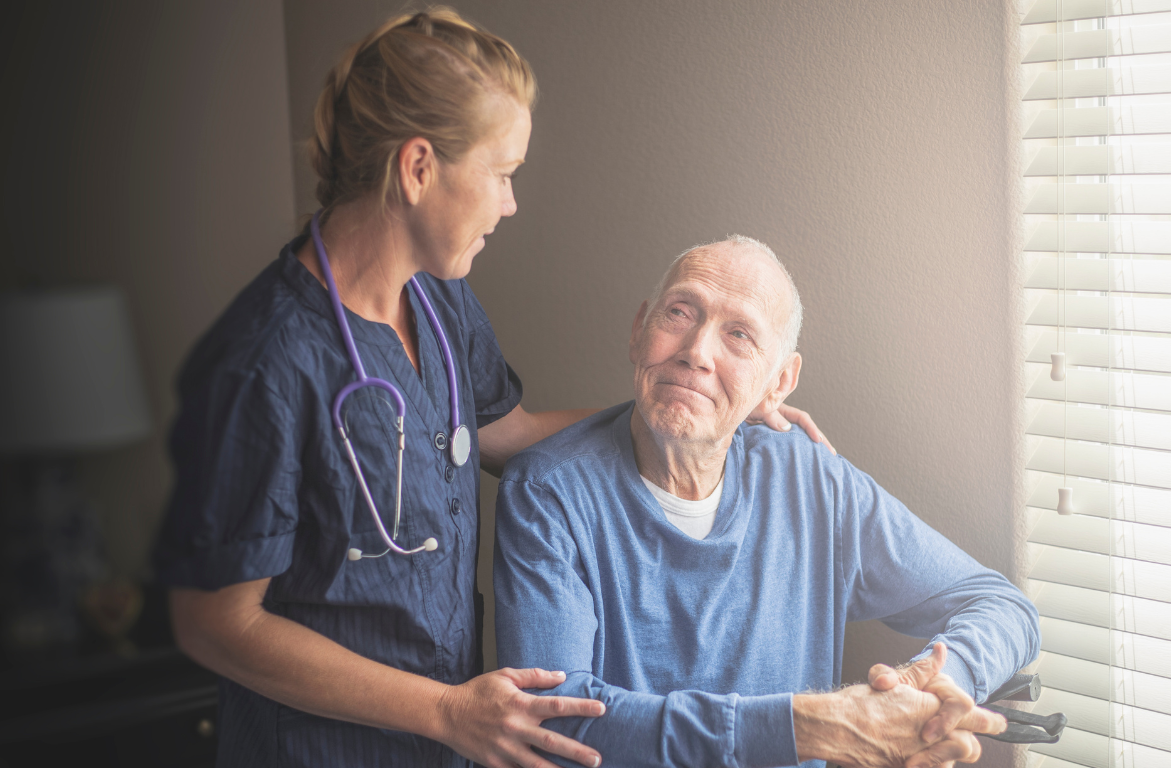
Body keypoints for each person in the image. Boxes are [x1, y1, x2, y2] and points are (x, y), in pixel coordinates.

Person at [151, 11, 827, 768]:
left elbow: (509, 435)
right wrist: (442, 710)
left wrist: (704, 411)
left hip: (444, 743)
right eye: (502, 174)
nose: (510, 203)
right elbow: (215, 622)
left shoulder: (438, 303)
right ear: (417, 168)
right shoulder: (265, 361)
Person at [494, 236, 1041, 768]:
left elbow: (999, 605)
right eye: (680, 312)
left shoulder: (812, 482)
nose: (696, 353)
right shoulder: (546, 494)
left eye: (739, 335)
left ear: (778, 382)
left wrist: (936, 686)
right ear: (640, 331)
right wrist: (809, 727)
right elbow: (553, 722)